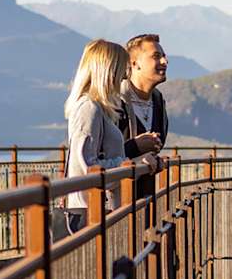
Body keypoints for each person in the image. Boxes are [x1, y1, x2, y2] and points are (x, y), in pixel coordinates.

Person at [63, 39, 160, 234]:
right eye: (121, 70)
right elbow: (89, 169)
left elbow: (99, 159)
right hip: (91, 213)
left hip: (101, 210)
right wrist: (137, 164)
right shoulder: (88, 108)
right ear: (108, 70)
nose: (125, 77)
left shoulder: (99, 108)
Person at [119, 33, 170, 200]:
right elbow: (99, 157)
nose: (165, 61)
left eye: (164, 56)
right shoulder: (115, 100)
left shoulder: (158, 100)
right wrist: (134, 147)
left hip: (145, 201)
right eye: (156, 56)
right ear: (135, 64)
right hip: (114, 207)